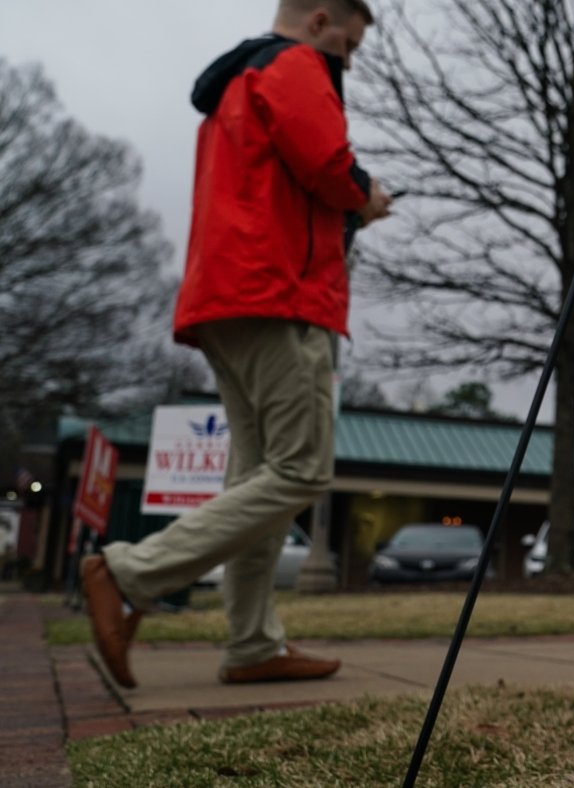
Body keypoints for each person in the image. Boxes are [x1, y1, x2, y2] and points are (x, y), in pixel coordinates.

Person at [81, 0, 392, 688]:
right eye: (350, 41)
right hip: (278, 295)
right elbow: (328, 163)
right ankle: (127, 572)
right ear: (319, 20)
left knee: (259, 479)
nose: (349, 58)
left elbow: (284, 186)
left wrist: (347, 211)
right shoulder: (295, 65)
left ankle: (252, 644)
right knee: (302, 471)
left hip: (227, 293)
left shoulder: (239, 79)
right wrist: (365, 196)